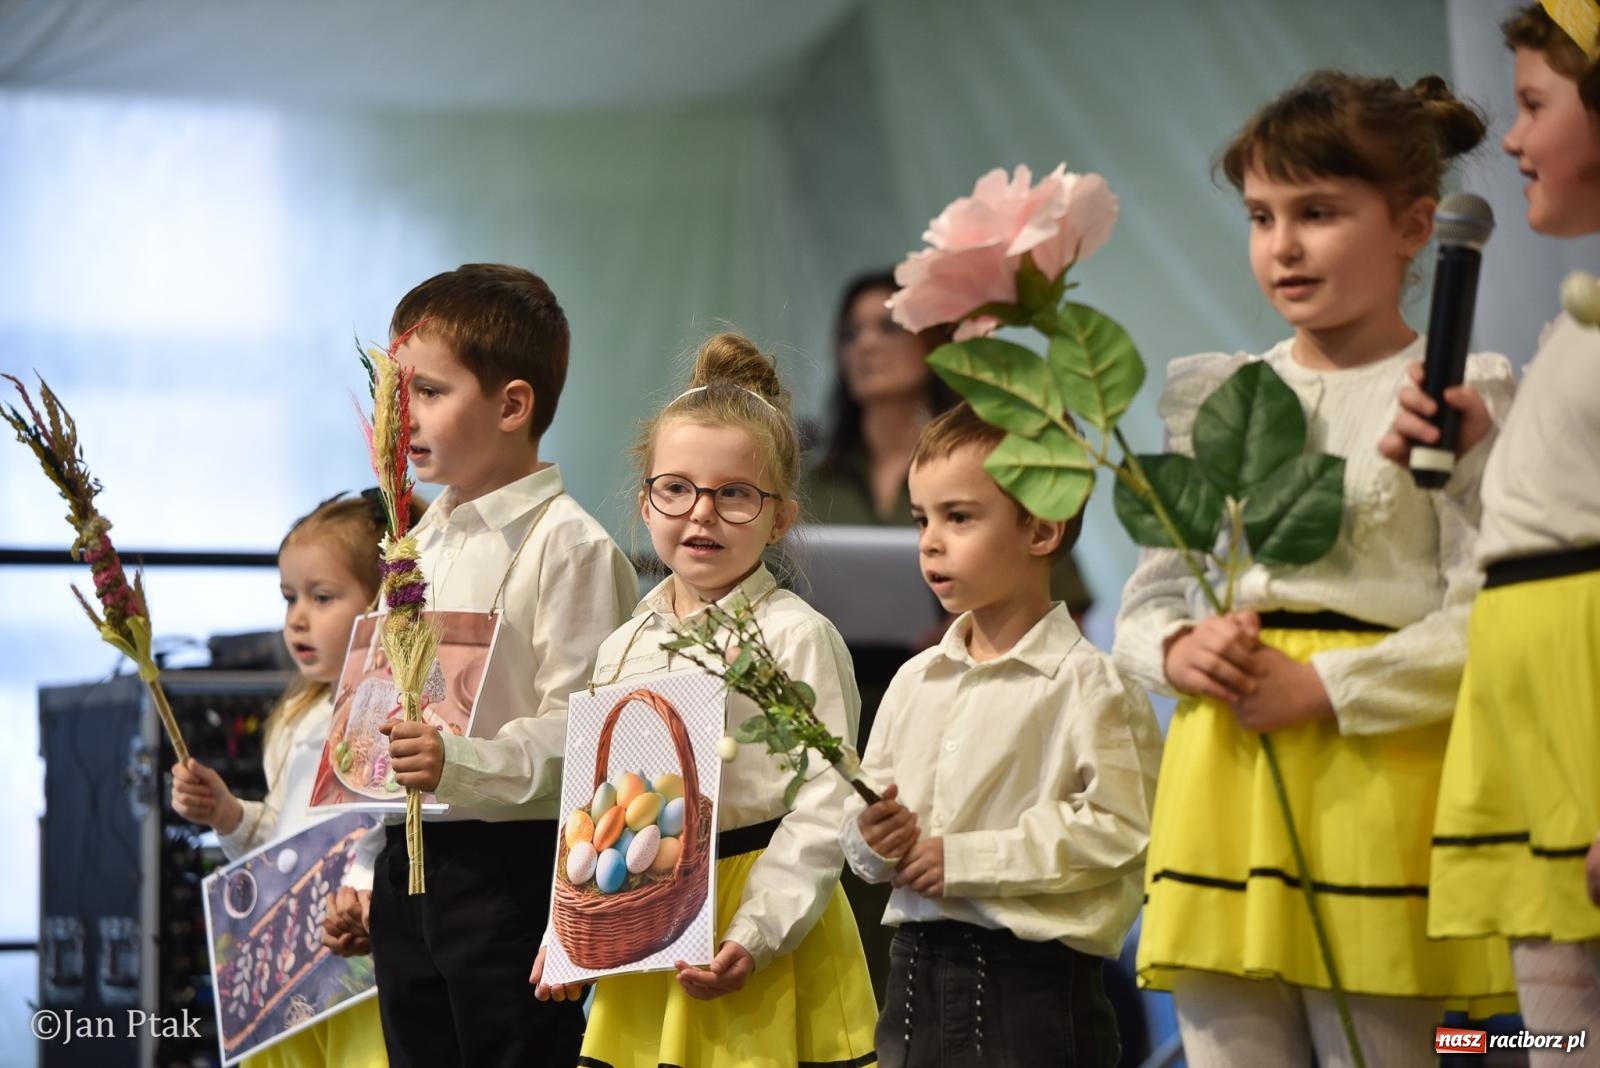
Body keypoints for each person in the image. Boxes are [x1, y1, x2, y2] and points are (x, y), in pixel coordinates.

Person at [1113, 70, 1519, 1066]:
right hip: (1225, 775)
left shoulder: (1465, 396)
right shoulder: (1229, 395)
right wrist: (1179, 648)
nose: (1282, 246)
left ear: (1414, 226)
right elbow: (1150, 597)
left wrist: (1326, 686)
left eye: (1318, 213)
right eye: (1262, 216)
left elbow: (1493, 617)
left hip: (1376, 777)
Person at [531, 332, 878, 1068]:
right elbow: (599, 809)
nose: (702, 514)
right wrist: (568, 935)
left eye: (735, 494)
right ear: (645, 502)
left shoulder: (797, 636)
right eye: (677, 488)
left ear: (780, 518)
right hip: (647, 922)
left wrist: (756, 930)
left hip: (759, 922)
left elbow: (827, 806)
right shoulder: (624, 643)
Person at [323, 263, 637, 1068]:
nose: (403, 417)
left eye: (428, 392)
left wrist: (459, 762)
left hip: (507, 870)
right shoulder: (417, 538)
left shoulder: (569, 546)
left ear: (511, 405)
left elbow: (589, 737)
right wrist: (364, 865)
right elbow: (382, 712)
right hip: (408, 863)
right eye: (397, 394)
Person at [1380, 3, 1600, 1054]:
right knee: (1543, 1043)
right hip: (1533, 715)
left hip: (1582, 718)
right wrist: (1490, 442)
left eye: (1533, 105)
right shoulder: (1577, 321)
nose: (1510, 139)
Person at [841, 403, 1162, 1067]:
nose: (930, 542)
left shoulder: (1093, 685)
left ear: (1041, 529)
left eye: (958, 517)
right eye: (921, 519)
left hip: (1033, 990)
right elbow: (863, 826)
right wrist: (871, 840)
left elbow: (1124, 828)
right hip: (912, 981)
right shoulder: (913, 680)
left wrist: (967, 860)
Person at [172, 490, 408, 1067]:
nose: (297, 618)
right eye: (289, 597)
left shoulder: (396, 710)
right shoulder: (294, 718)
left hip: (357, 975)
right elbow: (279, 840)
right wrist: (228, 815)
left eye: (321, 597)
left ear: (382, 601)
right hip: (282, 986)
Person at [804, 269, 1092, 616]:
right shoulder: (811, 479)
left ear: (934, 338)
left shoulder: (993, 461)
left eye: (890, 326)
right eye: (849, 333)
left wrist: (966, 630)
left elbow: (1064, 602)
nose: (865, 345)